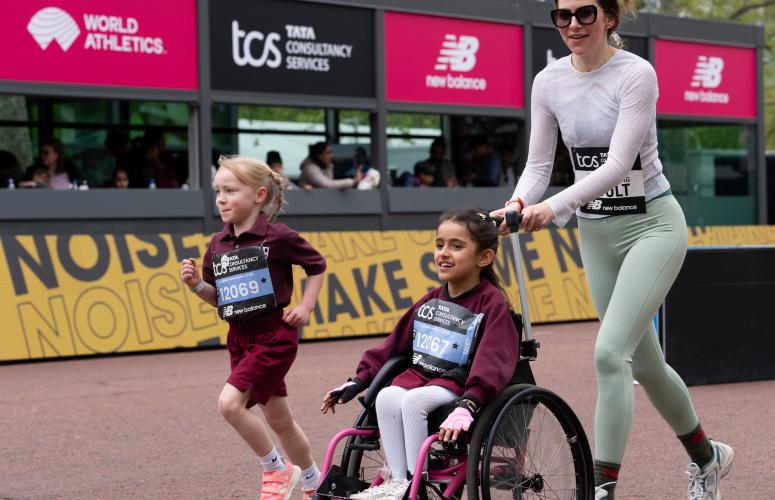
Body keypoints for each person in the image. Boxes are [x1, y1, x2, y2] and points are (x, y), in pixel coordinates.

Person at [490, 1, 733, 498]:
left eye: (586, 13)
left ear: (609, 17)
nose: (574, 25)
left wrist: (554, 209)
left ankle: (601, 489)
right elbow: (538, 168)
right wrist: (516, 204)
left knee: (608, 355)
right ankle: (708, 458)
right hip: (597, 234)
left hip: (653, 228)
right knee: (644, 364)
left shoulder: (636, 74)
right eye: (563, 16)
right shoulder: (549, 81)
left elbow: (620, 164)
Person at [321, 208, 519, 500]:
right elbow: (393, 345)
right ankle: (398, 481)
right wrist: (358, 380)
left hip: (458, 383)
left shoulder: (492, 303)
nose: (444, 253)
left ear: (484, 258)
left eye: (456, 246)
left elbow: (493, 358)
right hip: (422, 377)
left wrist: (471, 402)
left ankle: (416, 481)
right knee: (387, 395)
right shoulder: (430, 301)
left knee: (413, 400)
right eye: (440, 245)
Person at [179, 155, 327, 500]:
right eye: (218, 191)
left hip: (274, 336)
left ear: (259, 195)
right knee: (279, 420)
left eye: (230, 190)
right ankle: (314, 483)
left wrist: (305, 306)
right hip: (239, 338)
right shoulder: (217, 244)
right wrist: (196, 285)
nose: (221, 198)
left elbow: (317, 266)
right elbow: (219, 298)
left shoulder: (278, 237)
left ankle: (276, 469)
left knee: (229, 404)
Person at [297, 142, 362, 190]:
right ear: (319, 156)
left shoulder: (326, 166)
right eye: (328, 153)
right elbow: (327, 185)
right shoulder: (310, 168)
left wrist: (329, 167)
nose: (331, 156)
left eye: (331, 152)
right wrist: (353, 181)